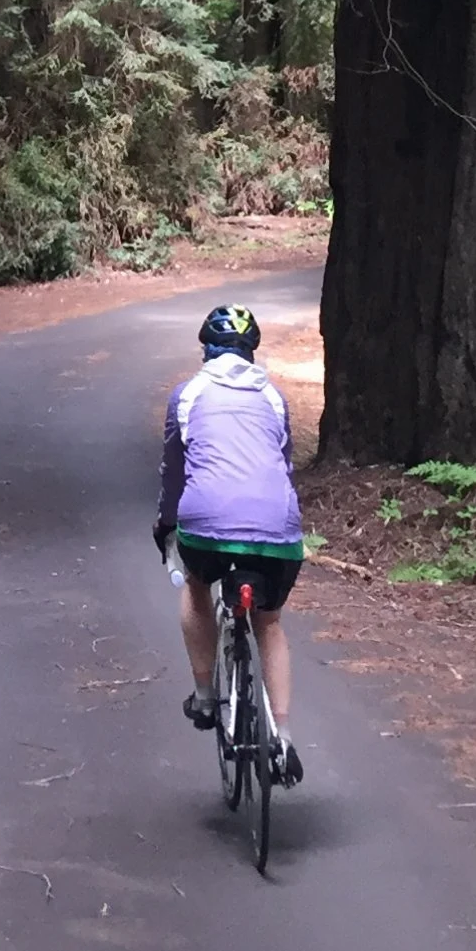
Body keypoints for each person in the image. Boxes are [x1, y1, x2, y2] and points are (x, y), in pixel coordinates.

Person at [154, 300, 305, 785]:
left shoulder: (186, 396)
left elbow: (174, 473)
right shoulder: (275, 399)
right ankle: (282, 738)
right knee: (270, 623)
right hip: (277, 530)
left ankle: (203, 695)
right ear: (250, 351)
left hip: (207, 527)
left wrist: (166, 527)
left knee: (198, 589)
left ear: (206, 349)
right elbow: (282, 461)